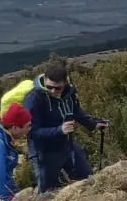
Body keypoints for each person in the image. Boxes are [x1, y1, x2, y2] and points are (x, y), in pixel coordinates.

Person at [23, 61, 107, 193]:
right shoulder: (34, 99)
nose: (53, 91)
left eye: (58, 88)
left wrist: (93, 123)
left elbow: (75, 111)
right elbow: (31, 132)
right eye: (49, 87)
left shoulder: (69, 93)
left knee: (88, 179)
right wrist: (59, 130)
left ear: (65, 83)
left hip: (67, 145)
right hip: (43, 152)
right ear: (44, 80)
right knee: (47, 192)